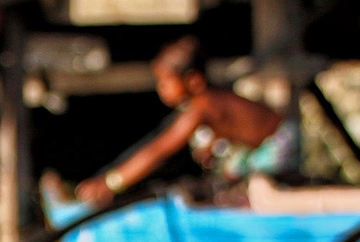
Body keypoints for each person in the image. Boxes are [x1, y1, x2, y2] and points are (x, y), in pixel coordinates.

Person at [72, 36, 296, 206]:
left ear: (194, 81)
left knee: (231, 185)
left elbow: (159, 149)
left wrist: (109, 183)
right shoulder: (209, 103)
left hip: (278, 145)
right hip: (268, 141)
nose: (161, 90)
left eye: (166, 82)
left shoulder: (200, 107)